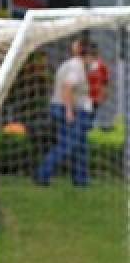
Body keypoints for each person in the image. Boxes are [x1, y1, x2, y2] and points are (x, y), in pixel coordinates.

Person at [35, 39, 94, 187]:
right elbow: (67, 87)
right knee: (67, 145)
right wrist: (69, 111)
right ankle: (42, 174)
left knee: (81, 146)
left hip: (62, 106)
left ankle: (81, 180)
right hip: (68, 109)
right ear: (88, 56)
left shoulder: (68, 64)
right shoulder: (77, 67)